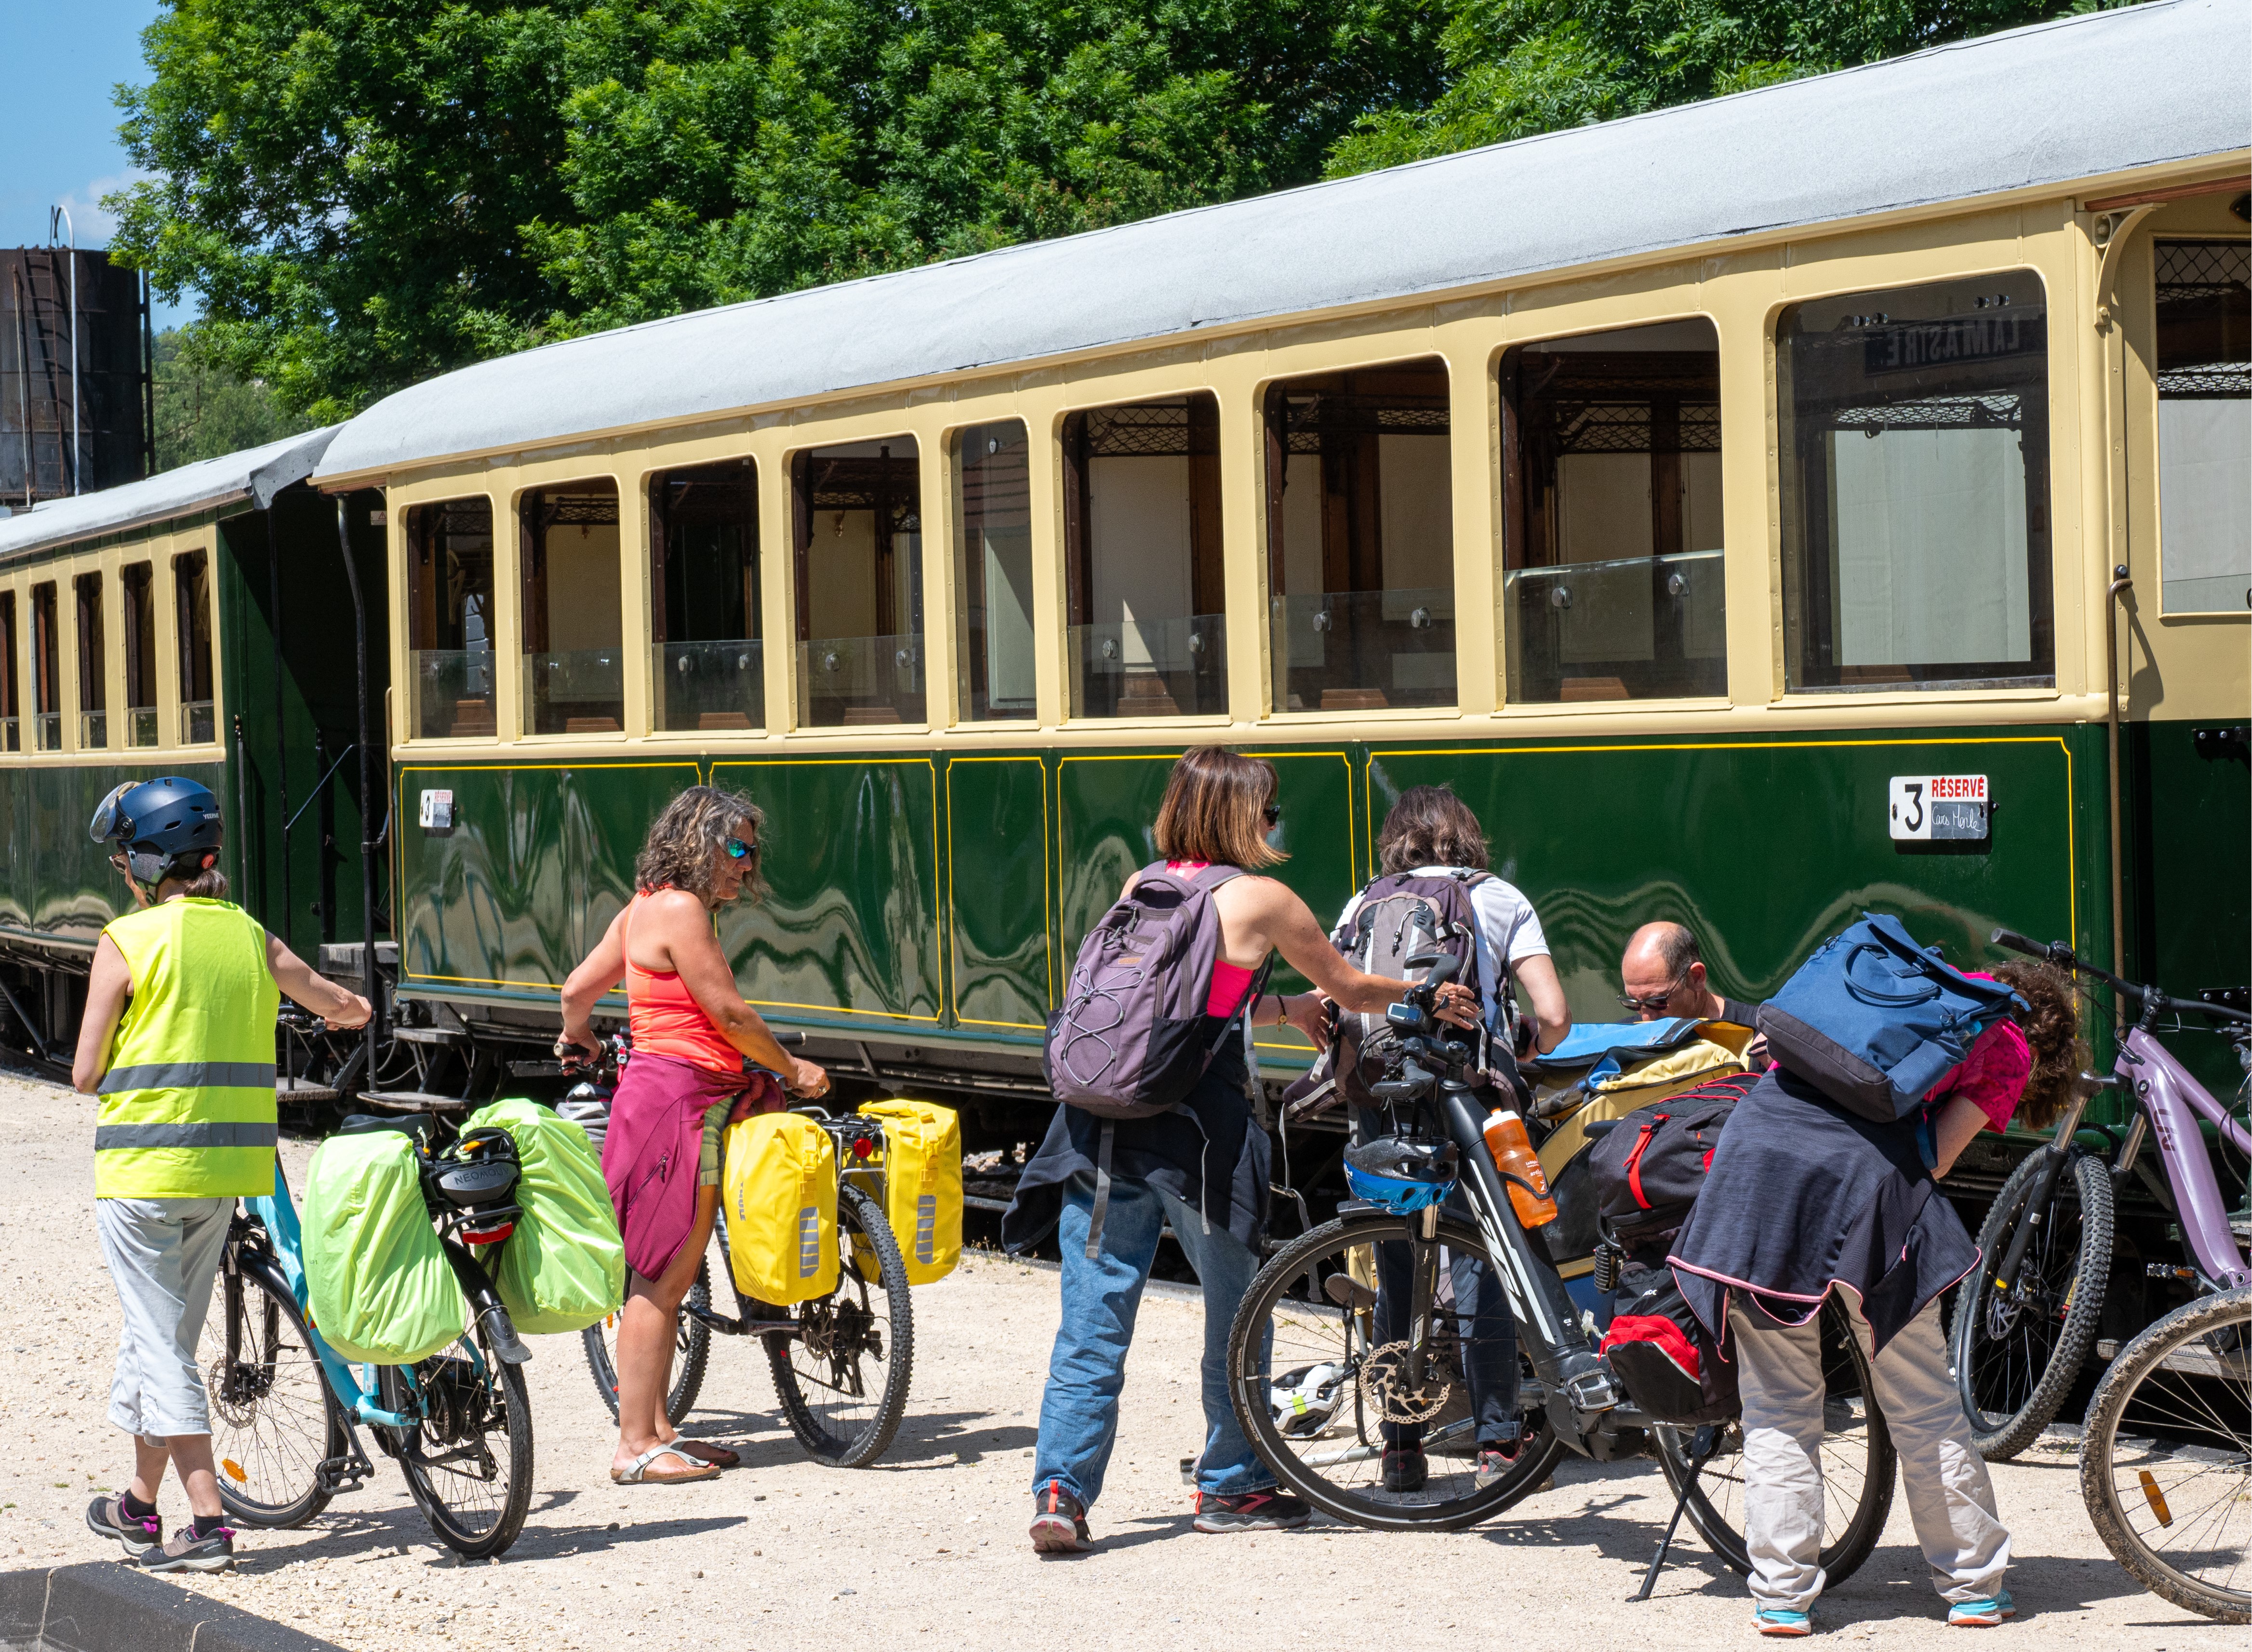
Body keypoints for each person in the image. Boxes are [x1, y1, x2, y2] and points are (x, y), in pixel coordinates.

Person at [1005, 747, 1479, 1551]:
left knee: (1092, 1320)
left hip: (1100, 1128)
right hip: (1200, 1142)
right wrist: (1427, 992)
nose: (1274, 824)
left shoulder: (1144, 885)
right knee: (1238, 1317)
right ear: (1243, 816)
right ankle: (1231, 1484)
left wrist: (1285, 1008)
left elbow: (1187, 1001)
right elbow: (1354, 987)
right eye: (1269, 811)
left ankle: (1060, 1491)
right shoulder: (1262, 900)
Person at [1669, 956, 2085, 1635]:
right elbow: (1934, 1157)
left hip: (1755, 1172)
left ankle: (1782, 1595)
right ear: (2047, 1042)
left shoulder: (1895, 989)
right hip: (1866, 1193)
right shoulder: (2006, 1041)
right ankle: (1972, 1585)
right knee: (1921, 1400)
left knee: (1777, 1402)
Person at [75, 778, 371, 1574]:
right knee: (164, 1335)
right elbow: (335, 1002)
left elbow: (85, 1071)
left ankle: (207, 1523)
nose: (122, 873)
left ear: (148, 862)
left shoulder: (127, 940)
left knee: (159, 1344)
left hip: (143, 1172)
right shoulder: (250, 935)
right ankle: (139, 1505)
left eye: (125, 860)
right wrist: (354, 1012)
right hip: (225, 1172)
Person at [558, 784, 830, 1486]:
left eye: (752, 850)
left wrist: (578, 1035)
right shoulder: (680, 909)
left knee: (665, 1274)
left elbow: (575, 991)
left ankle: (659, 1431)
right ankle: (633, 1448)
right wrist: (792, 1068)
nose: (748, 863)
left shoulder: (641, 908)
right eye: (737, 847)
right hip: (678, 1104)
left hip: (665, 1098)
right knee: (662, 1277)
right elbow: (730, 1015)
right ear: (698, 843)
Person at [1330, 785, 1570, 1491]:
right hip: (1467, 1098)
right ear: (1467, 835)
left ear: (1395, 840)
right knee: (1481, 1261)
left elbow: (1339, 1002)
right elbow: (1553, 1016)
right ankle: (1497, 1443)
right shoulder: (1498, 898)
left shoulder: (1362, 902)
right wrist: (1520, 1047)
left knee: (1396, 1263)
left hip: (1383, 1098)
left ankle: (1400, 1449)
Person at [1620, 921, 1759, 1027]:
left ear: (1697, 977)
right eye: (1633, 1003)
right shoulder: (1621, 1040)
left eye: (1657, 1002)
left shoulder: (1759, 1037)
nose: (1646, 1019)